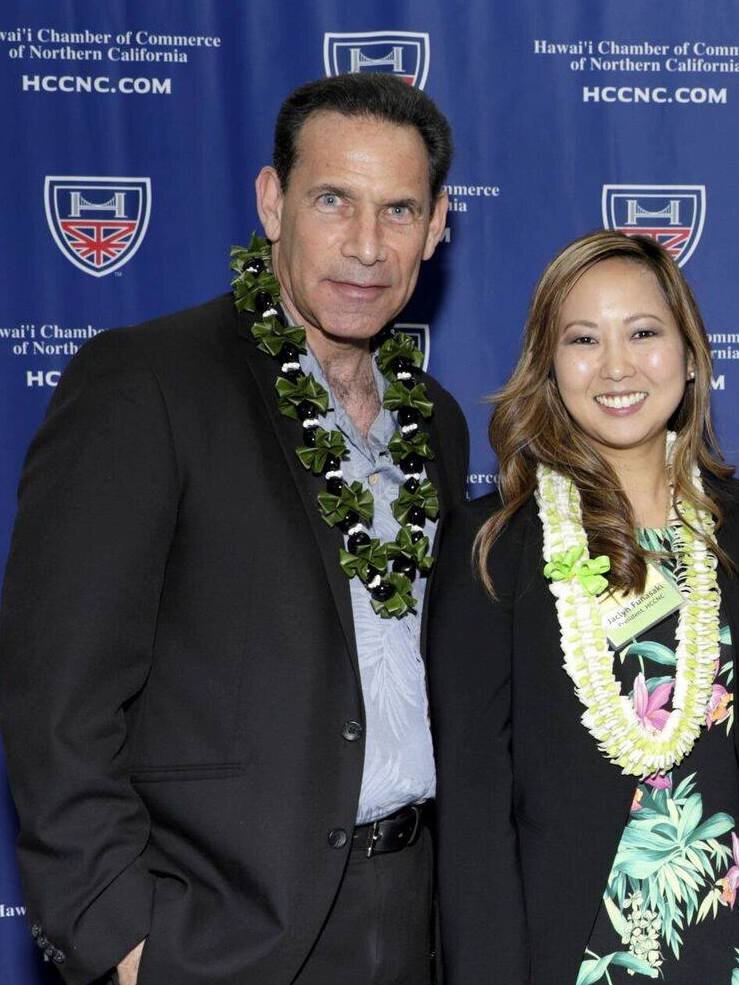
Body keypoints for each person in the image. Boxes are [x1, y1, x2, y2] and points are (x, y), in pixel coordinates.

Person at [0, 73, 463, 985]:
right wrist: (124, 942)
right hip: (217, 936)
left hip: (411, 923)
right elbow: (57, 696)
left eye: (399, 210)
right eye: (334, 200)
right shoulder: (148, 384)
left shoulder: (435, 423)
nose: (366, 246)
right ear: (271, 202)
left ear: (438, 224)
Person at [428, 230, 739, 985]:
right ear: (550, 368)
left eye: (644, 333)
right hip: (578, 954)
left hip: (732, 942)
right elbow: (473, 811)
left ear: (690, 357)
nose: (616, 366)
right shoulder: (494, 543)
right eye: (583, 339)